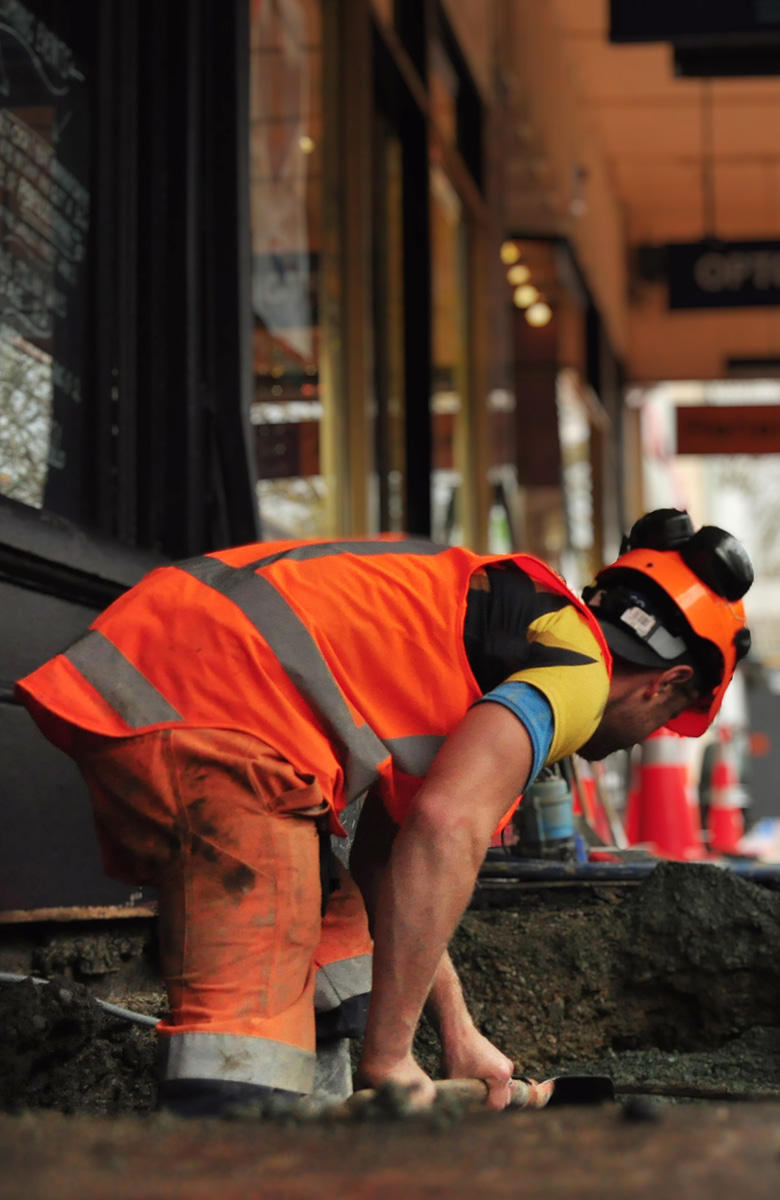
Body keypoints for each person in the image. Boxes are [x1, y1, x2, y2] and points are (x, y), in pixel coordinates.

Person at [15, 509, 752, 1116]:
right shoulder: (577, 673)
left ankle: (335, 1152)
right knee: (242, 1053)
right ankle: (240, 1149)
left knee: (344, 950)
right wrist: (392, 1056)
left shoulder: (504, 631)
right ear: (668, 685)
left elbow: (386, 862)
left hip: (173, 678)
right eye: (663, 727)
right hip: (215, 711)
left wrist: (457, 1036)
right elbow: (446, 829)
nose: (638, 745)